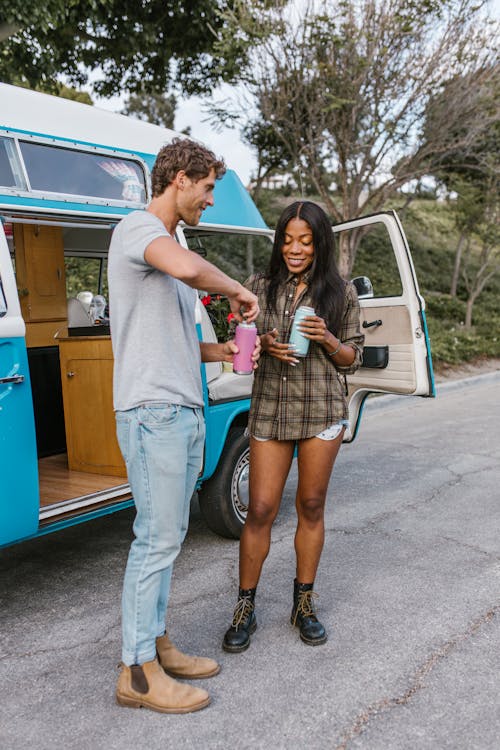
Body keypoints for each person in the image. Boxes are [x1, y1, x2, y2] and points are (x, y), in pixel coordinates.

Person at [108, 138, 260, 713]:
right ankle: (137, 673)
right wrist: (239, 289)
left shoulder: (167, 244)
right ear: (179, 179)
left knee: (167, 540)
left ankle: (157, 645)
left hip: (180, 408)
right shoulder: (138, 231)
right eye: (207, 188)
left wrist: (220, 351)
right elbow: (192, 270)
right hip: (154, 413)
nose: (210, 201)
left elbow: (169, 339)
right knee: (157, 540)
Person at [223, 200, 364, 653]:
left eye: (304, 240)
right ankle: (245, 607)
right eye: (287, 239)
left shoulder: (340, 292)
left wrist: (327, 338)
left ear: (319, 242)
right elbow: (241, 339)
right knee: (261, 508)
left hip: (322, 410)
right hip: (271, 408)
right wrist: (263, 341)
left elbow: (353, 358)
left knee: (311, 504)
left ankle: (303, 604)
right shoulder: (259, 287)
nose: (294, 249)